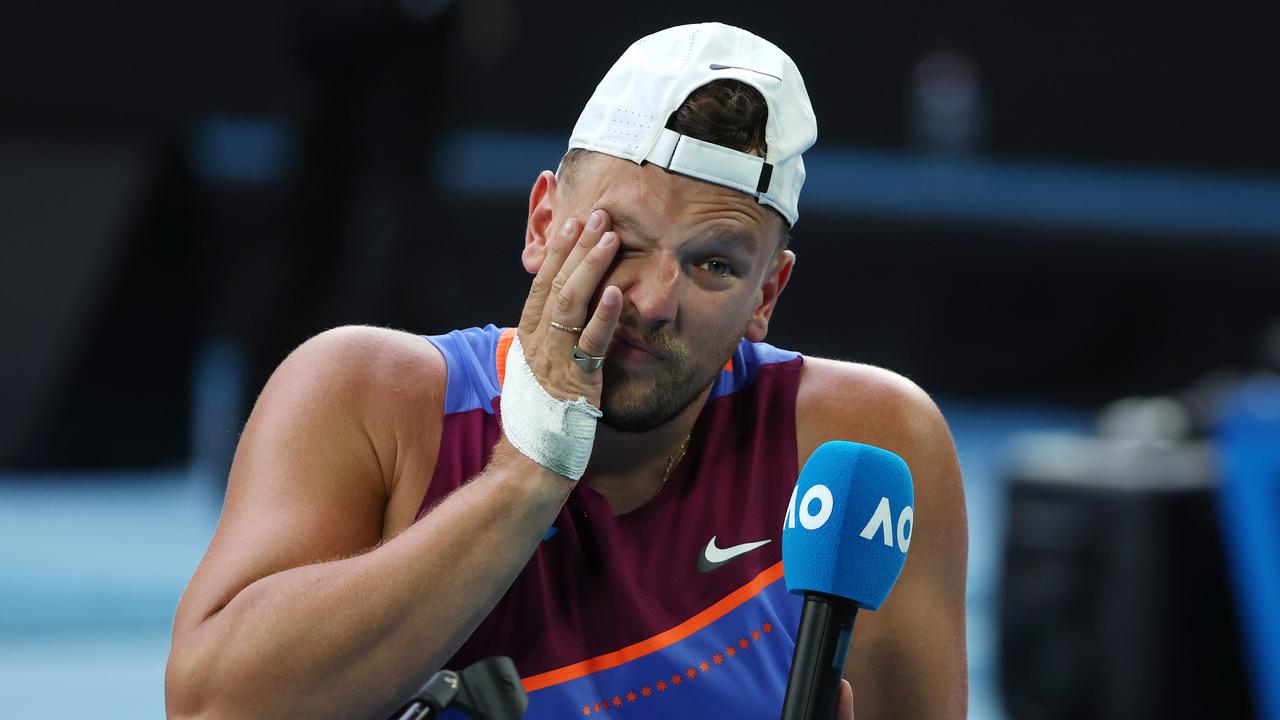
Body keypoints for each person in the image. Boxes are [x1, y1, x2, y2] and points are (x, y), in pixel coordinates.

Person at [165, 22, 968, 720]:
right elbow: (215, 707)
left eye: (714, 266)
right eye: (620, 241)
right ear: (543, 223)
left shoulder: (859, 447)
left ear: (768, 295)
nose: (655, 301)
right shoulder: (368, 394)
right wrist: (529, 470)